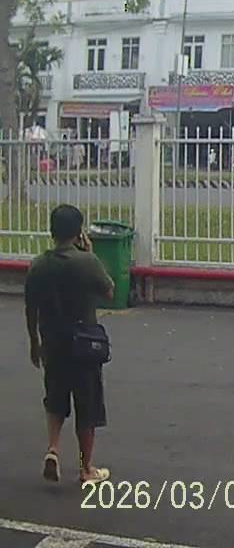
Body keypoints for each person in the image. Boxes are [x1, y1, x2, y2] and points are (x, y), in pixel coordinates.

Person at [24, 205, 115, 485]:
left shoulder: (39, 265)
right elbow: (110, 291)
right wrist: (90, 254)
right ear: (79, 232)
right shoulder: (86, 262)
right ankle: (86, 468)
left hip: (53, 342)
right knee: (87, 406)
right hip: (84, 344)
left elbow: (31, 307)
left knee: (55, 398)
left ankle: (53, 449)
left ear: (52, 231)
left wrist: (34, 341)